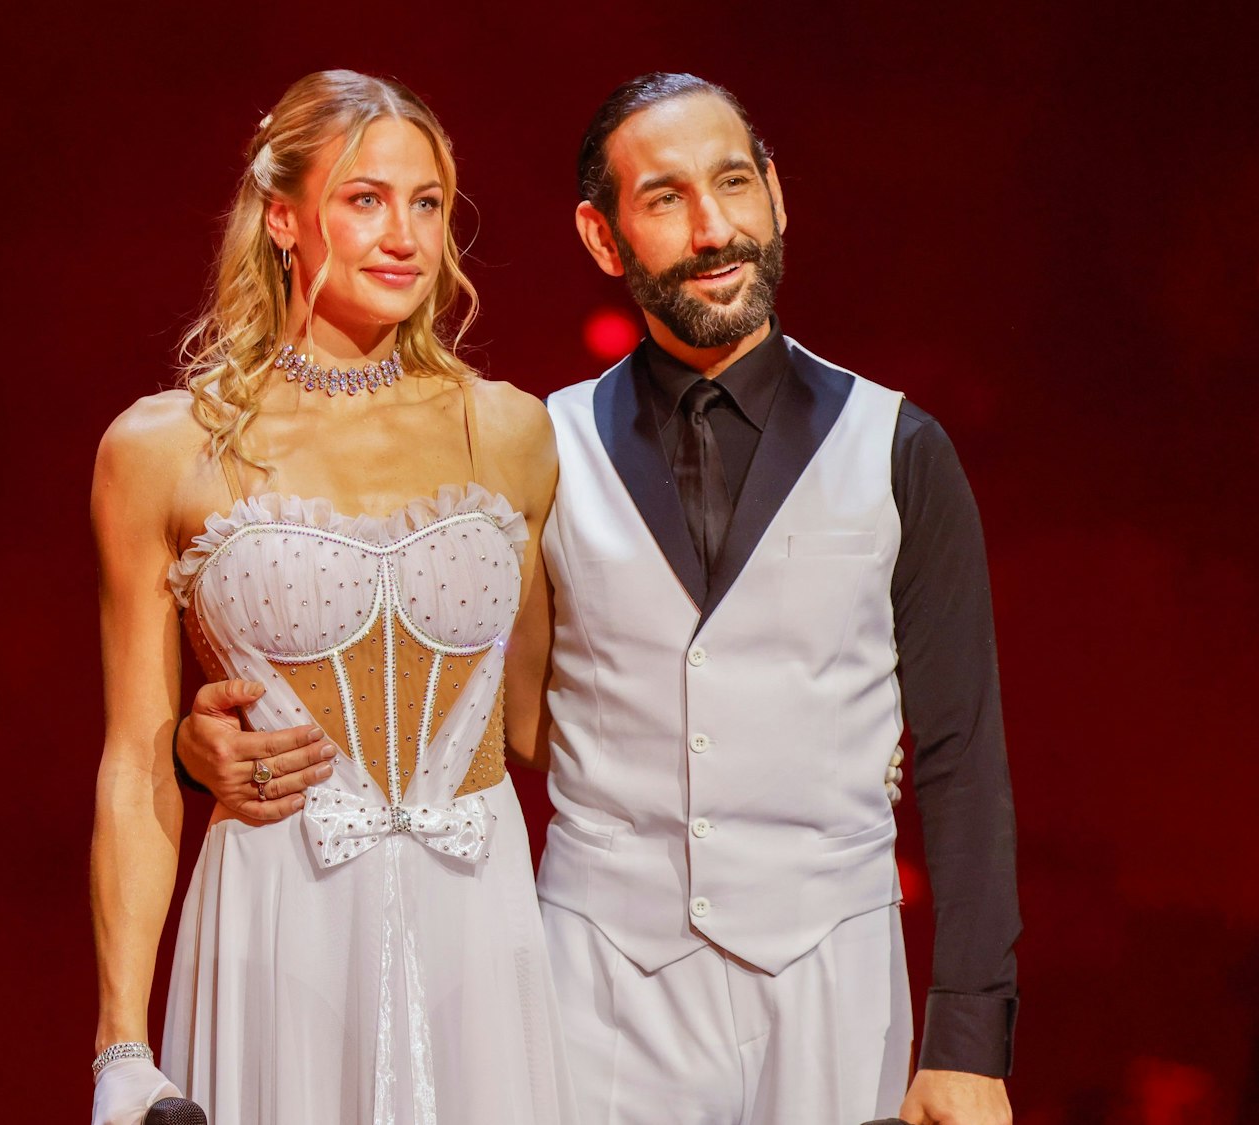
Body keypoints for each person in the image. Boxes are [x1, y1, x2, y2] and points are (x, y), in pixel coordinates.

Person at [181, 72, 1021, 1125]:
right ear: (601, 236)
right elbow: (470, 695)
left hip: (831, 989)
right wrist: (211, 735)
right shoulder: (539, 445)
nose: (713, 228)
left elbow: (962, 757)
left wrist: (967, 1042)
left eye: (733, 184)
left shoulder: (897, 448)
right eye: (664, 198)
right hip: (596, 996)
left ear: (776, 194)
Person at [87, 70, 572, 1125]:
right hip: (276, 916)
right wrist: (120, 1044)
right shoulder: (161, 449)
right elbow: (135, 757)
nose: (403, 234)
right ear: (280, 219)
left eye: (428, 203)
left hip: (477, 926)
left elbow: (543, 722)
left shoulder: (511, 433)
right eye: (364, 199)